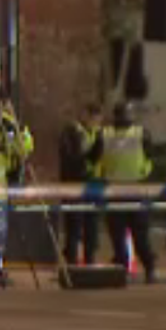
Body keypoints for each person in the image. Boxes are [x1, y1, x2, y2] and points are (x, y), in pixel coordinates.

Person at [91, 102, 157, 283]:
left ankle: (122, 271)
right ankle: (150, 269)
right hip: (137, 188)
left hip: (114, 189)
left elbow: (92, 158)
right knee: (140, 233)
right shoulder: (142, 134)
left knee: (117, 233)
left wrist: (99, 176)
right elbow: (150, 157)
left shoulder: (104, 135)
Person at [59, 103, 103, 265]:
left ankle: (89, 259)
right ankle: (72, 261)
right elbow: (76, 158)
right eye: (95, 119)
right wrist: (95, 150)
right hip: (75, 184)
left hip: (92, 184)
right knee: (74, 224)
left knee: (90, 225)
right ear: (86, 115)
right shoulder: (73, 132)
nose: (97, 123)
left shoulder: (95, 133)